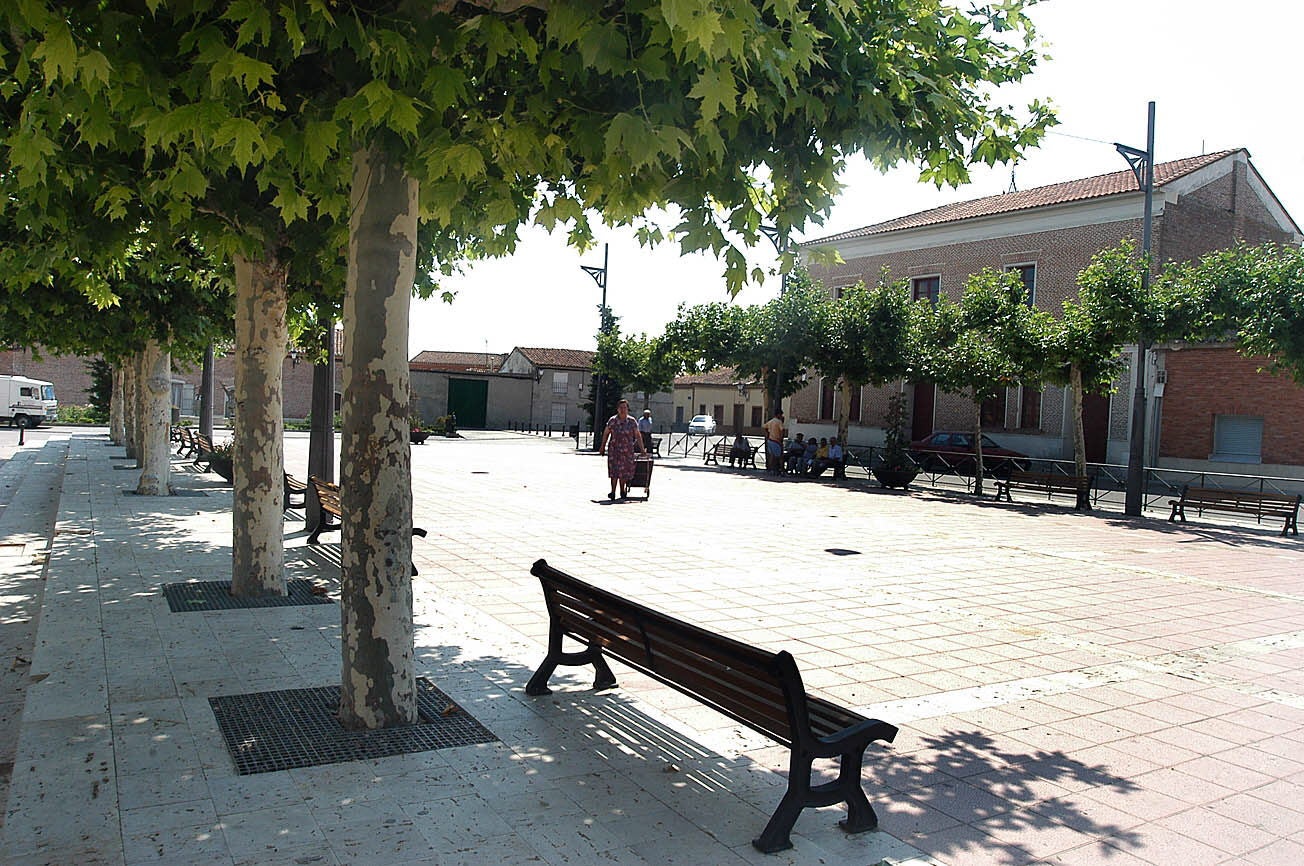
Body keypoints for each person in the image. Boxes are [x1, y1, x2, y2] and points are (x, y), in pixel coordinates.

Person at [599, 399, 646, 499]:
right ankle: (612, 491)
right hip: (614, 450)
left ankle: (622, 490)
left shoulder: (632, 421)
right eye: (621, 408)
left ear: (627, 409)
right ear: (617, 409)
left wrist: (642, 449)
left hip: (627, 451)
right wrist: (602, 446)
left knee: (624, 472)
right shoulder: (612, 421)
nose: (623, 410)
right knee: (614, 471)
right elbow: (606, 433)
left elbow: (637, 435)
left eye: (625, 407)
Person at [763, 409, 785, 474]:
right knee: (780, 456)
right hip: (776, 440)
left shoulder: (771, 421)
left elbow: (765, 427)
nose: (781, 416)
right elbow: (782, 430)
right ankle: (782, 470)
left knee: (772, 456)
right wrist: (781, 438)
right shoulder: (779, 422)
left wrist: (767, 434)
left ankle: (770, 469)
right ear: (778, 414)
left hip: (770, 440)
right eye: (781, 414)